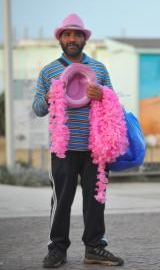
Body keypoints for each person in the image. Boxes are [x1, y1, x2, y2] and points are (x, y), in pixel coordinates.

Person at [32, 13, 124, 268]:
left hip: (96, 148)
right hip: (64, 149)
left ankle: (94, 248)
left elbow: (114, 103)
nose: (72, 39)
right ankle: (57, 249)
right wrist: (51, 94)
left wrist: (102, 94)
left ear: (84, 39)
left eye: (77, 34)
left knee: (96, 200)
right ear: (60, 38)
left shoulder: (99, 69)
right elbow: (38, 109)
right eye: (67, 34)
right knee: (61, 200)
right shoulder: (49, 70)